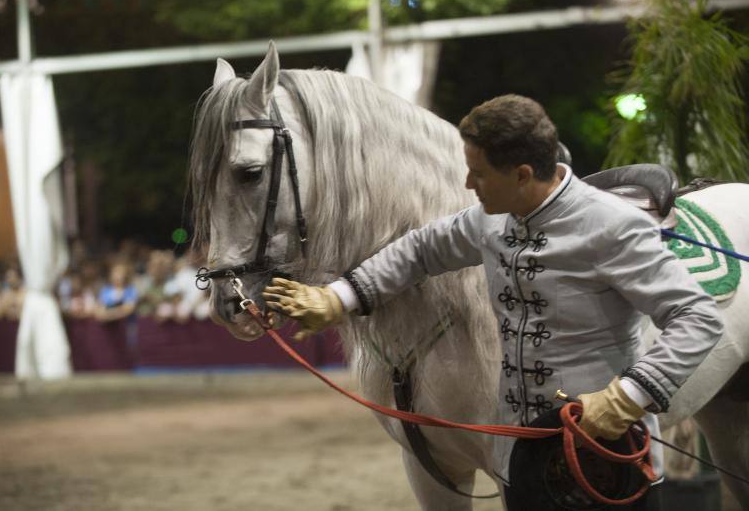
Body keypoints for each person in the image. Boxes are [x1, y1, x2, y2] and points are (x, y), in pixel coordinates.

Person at [263, 95, 724, 510]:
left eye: (479, 172)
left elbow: (698, 317)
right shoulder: (491, 218)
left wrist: (628, 397)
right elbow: (419, 250)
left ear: (522, 175)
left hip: (605, 455)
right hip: (523, 460)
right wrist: (336, 298)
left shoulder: (613, 227)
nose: (468, 182)